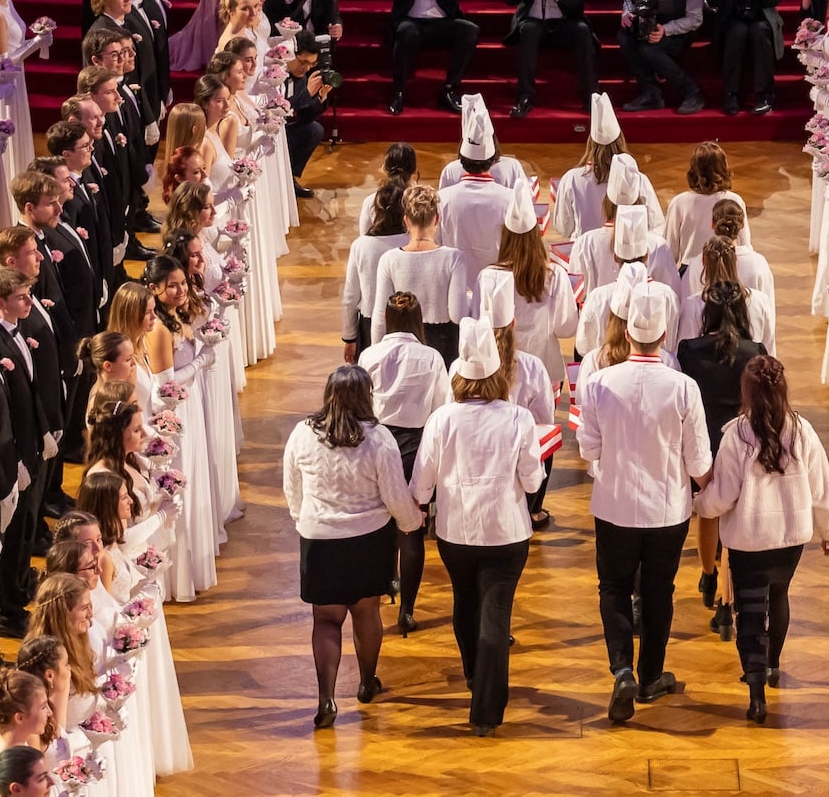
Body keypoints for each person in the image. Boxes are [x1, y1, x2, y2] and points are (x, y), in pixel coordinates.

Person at [577, 279, 710, 726]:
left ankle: (622, 670)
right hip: (667, 509)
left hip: (614, 504)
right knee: (658, 592)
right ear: (664, 337)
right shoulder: (684, 387)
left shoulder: (597, 382)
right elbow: (698, 461)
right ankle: (651, 674)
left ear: (628, 332)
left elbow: (588, 450)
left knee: (613, 588)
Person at [411, 317, 546, 735]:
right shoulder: (519, 418)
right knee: (496, 615)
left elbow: (422, 482)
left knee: (465, 604)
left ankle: (475, 676)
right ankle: (486, 708)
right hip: (506, 533)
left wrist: (414, 510)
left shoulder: (442, 420)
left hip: (457, 533)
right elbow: (532, 480)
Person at [689, 353, 829, 723]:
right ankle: (772, 665)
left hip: (749, 540)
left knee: (749, 613)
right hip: (790, 538)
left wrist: (698, 505)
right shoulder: (802, 430)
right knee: (780, 596)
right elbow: (821, 487)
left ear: (747, 392)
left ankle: (756, 694)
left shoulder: (737, 434)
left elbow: (724, 495)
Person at [283, 363, 422, 728]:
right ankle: (365, 681)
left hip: (320, 539)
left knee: (326, 621)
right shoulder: (378, 438)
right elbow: (394, 493)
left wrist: (303, 520)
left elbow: (292, 485)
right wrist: (410, 524)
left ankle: (326, 697)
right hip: (367, 539)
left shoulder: (302, 433)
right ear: (367, 398)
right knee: (366, 614)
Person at [502, 0, 594, 120]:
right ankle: (524, 97)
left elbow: (578, 5)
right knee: (528, 30)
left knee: (583, 30)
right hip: (534, 22)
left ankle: (591, 96)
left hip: (564, 23)